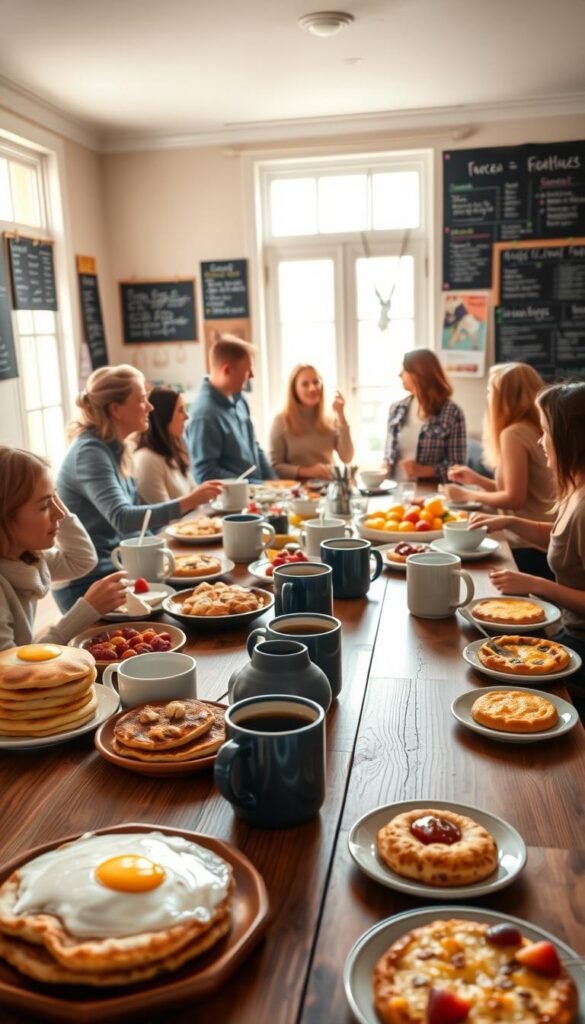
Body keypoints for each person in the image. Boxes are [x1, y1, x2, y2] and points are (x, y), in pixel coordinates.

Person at [56, 365, 222, 610]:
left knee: (209, 590)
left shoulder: (116, 447)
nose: (150, 407)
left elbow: (139, 524)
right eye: (142, 399)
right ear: (116, 409)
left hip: (120, 569)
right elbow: (123, 518)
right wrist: (189, 501)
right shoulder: (89, 453)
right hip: (90, 584)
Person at [472, 381, 585, 698]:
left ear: (569, 439)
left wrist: (536, 584)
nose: (540, 440)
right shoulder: (575, 489)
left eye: (546, 431)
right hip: (571, 632)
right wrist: (510, 520)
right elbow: (562, 540)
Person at [0, 447, 129, 651]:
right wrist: (86, 610)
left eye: (56, 499)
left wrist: (50, 494)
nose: (60, 513)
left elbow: (82, 559)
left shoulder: (28, 558)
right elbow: (10, 670)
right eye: (44, 506)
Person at [442, 363, 556, 578]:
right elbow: (522, 489)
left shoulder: (513, 433)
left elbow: (514, 498)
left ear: (504, 397)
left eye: (490, 391)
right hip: (546, 539)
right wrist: (477, 479)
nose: (488, 397)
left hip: (528, 544)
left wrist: (466, 493)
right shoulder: (535, 429)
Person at [186, 336, 275, 483]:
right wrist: (257, 486)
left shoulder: (240, 400)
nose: (251, 376)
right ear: (227, 370)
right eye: (247, 371)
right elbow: (205, 473)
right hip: (231, 502)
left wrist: (273, 482)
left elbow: (255, 446)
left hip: (256, 495)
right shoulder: (204, 415)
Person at [384, 348, 466, 483]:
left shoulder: (452, 413)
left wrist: (422, 470)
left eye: (404, 370)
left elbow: (458, 470)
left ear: (418, 374)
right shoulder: (396, 409)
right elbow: (388, 458)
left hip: (431, 495)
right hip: (395, 491)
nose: (400, 374)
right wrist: (382, 470)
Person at [269, 364, 354, 480]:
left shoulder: (330, 418)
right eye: (305, 384)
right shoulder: (281, 420)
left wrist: (341, 414)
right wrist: (307, 472)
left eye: (316, 382)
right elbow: (275, 467)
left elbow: (347, 457)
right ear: (294, 389)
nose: (312, 388)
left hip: (328, 488)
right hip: (297, 492)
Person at [133, 386, 197, 503]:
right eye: (180, 410)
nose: (187, 416)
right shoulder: (146, 459)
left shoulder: (175, 450)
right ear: (164, 415)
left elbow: (195, 495)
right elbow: (163, 514)